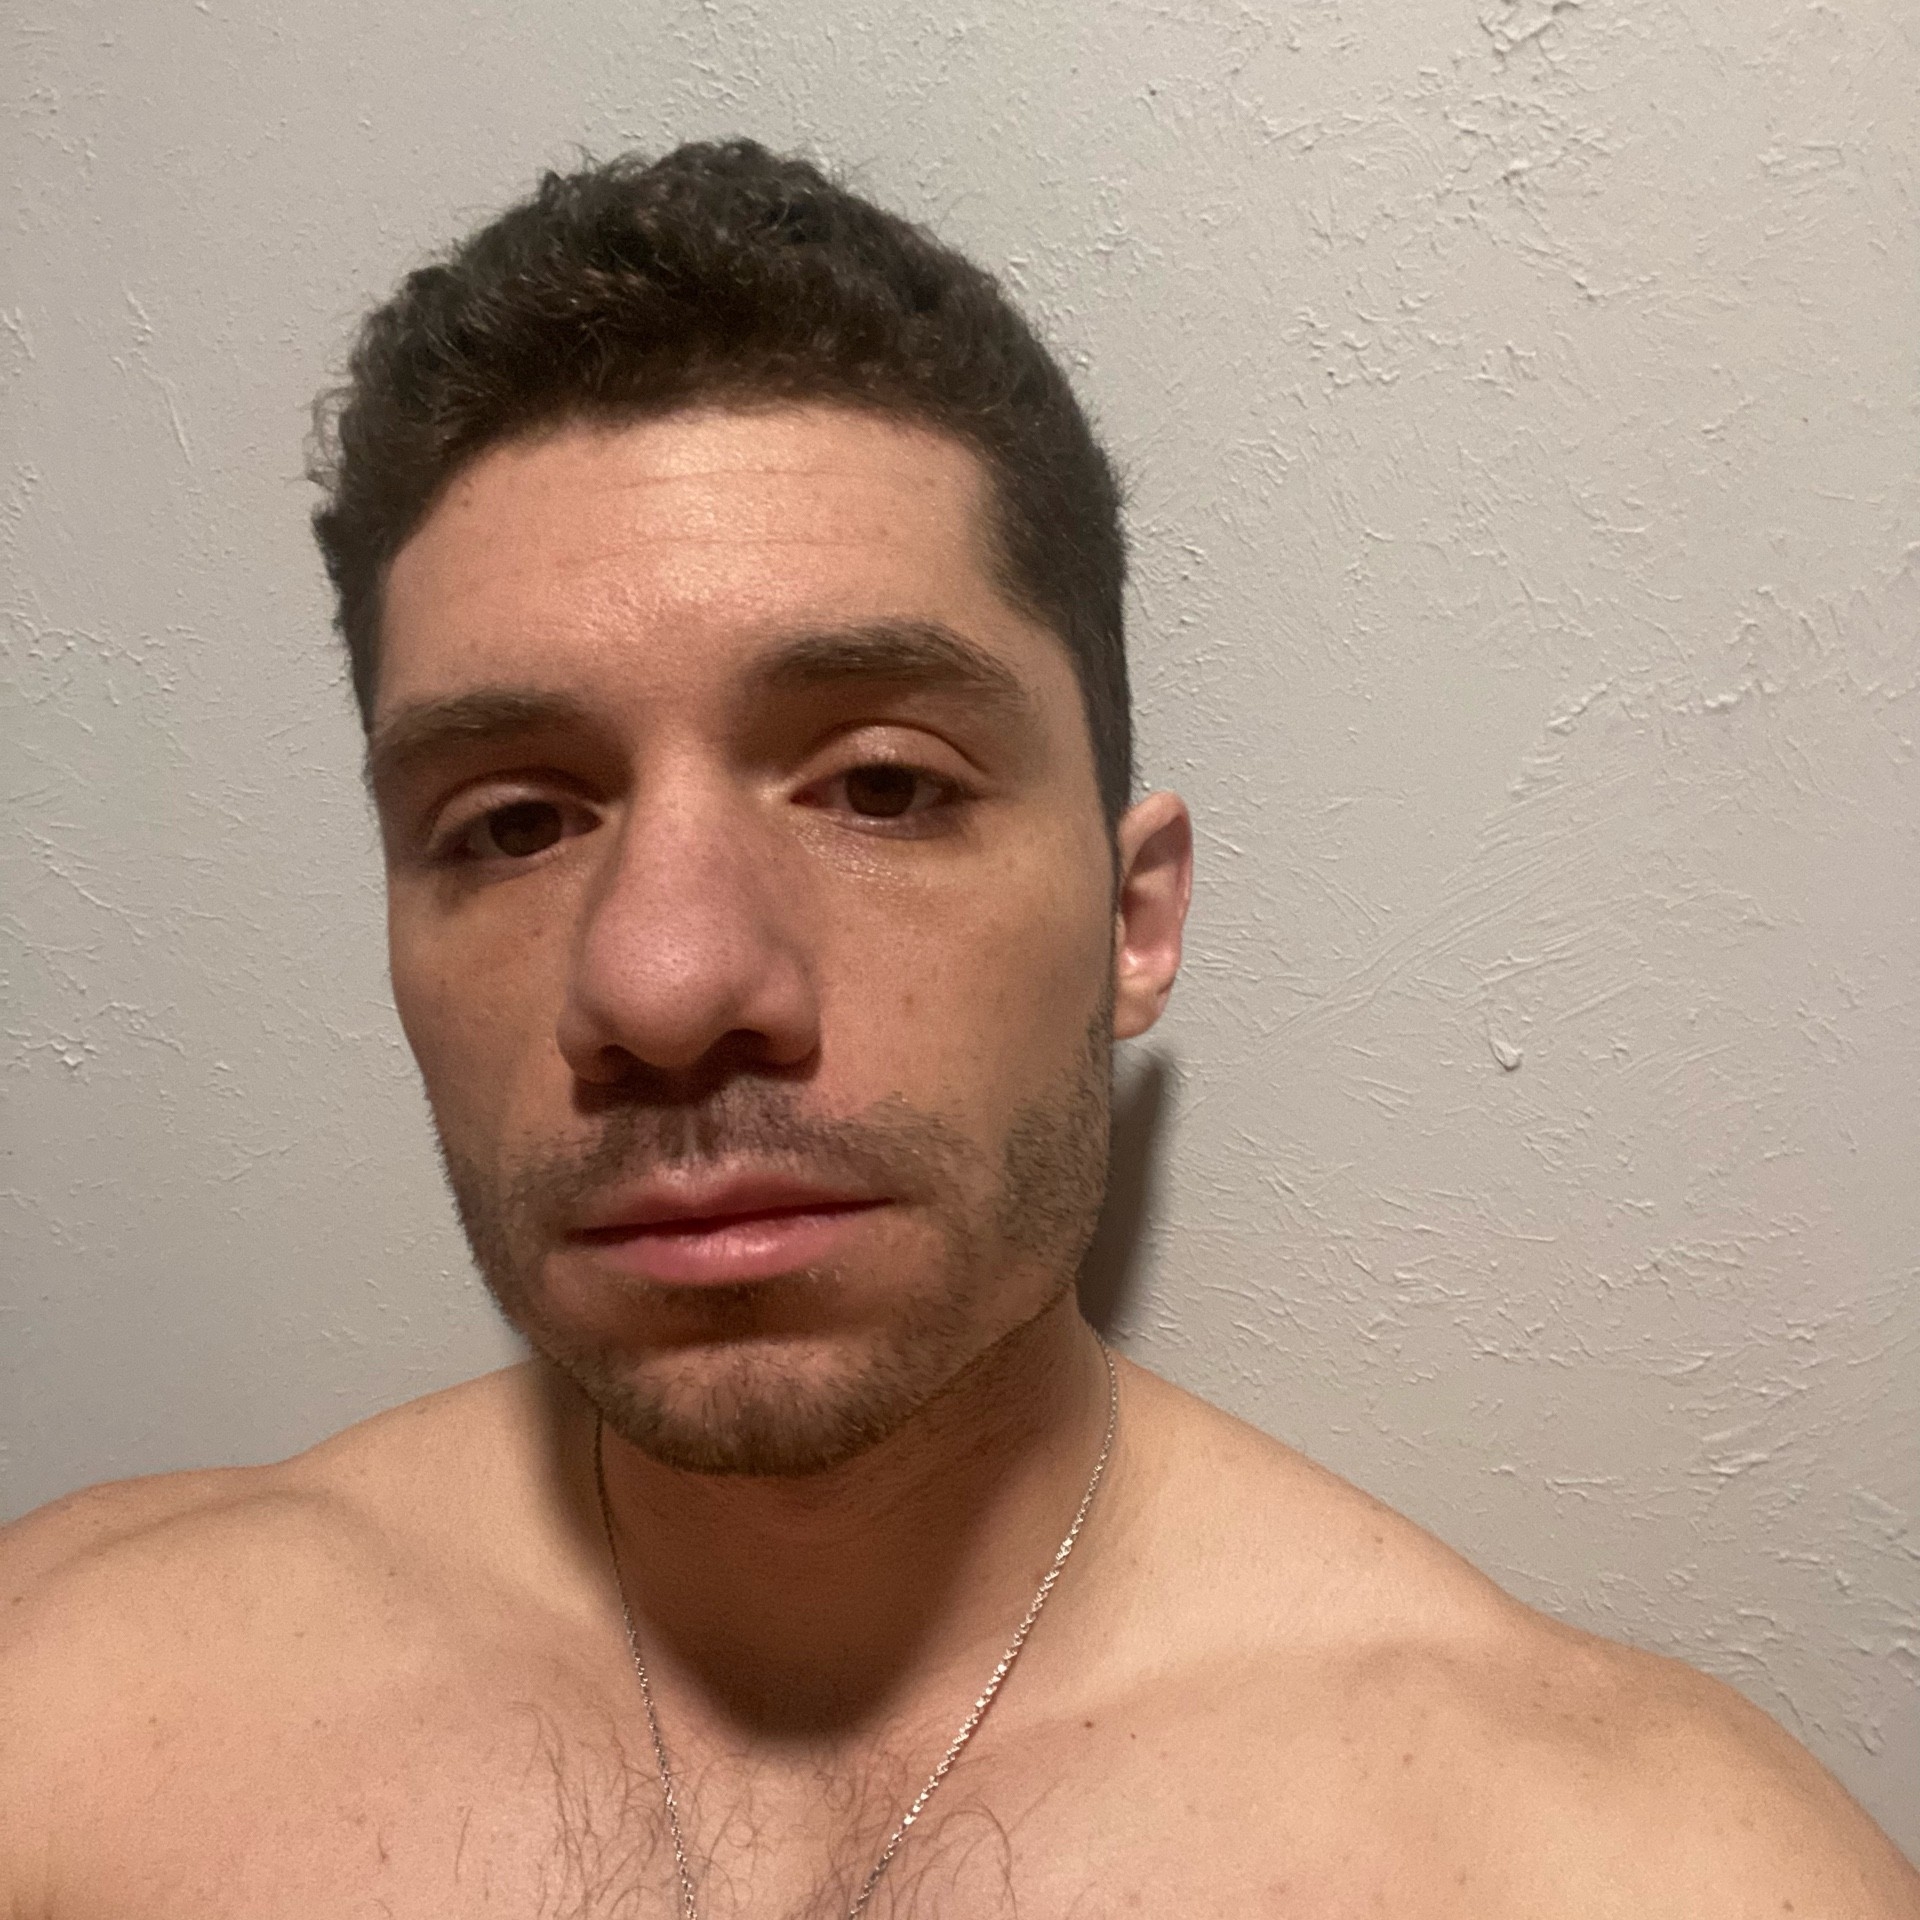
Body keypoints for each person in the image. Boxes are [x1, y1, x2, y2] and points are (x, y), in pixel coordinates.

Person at [1, 140, 1913, 1920]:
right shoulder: (68, 1730)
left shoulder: (1634, 1868)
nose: (665, 984)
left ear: (1133, 922)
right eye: (510, 823)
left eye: (883, 787)